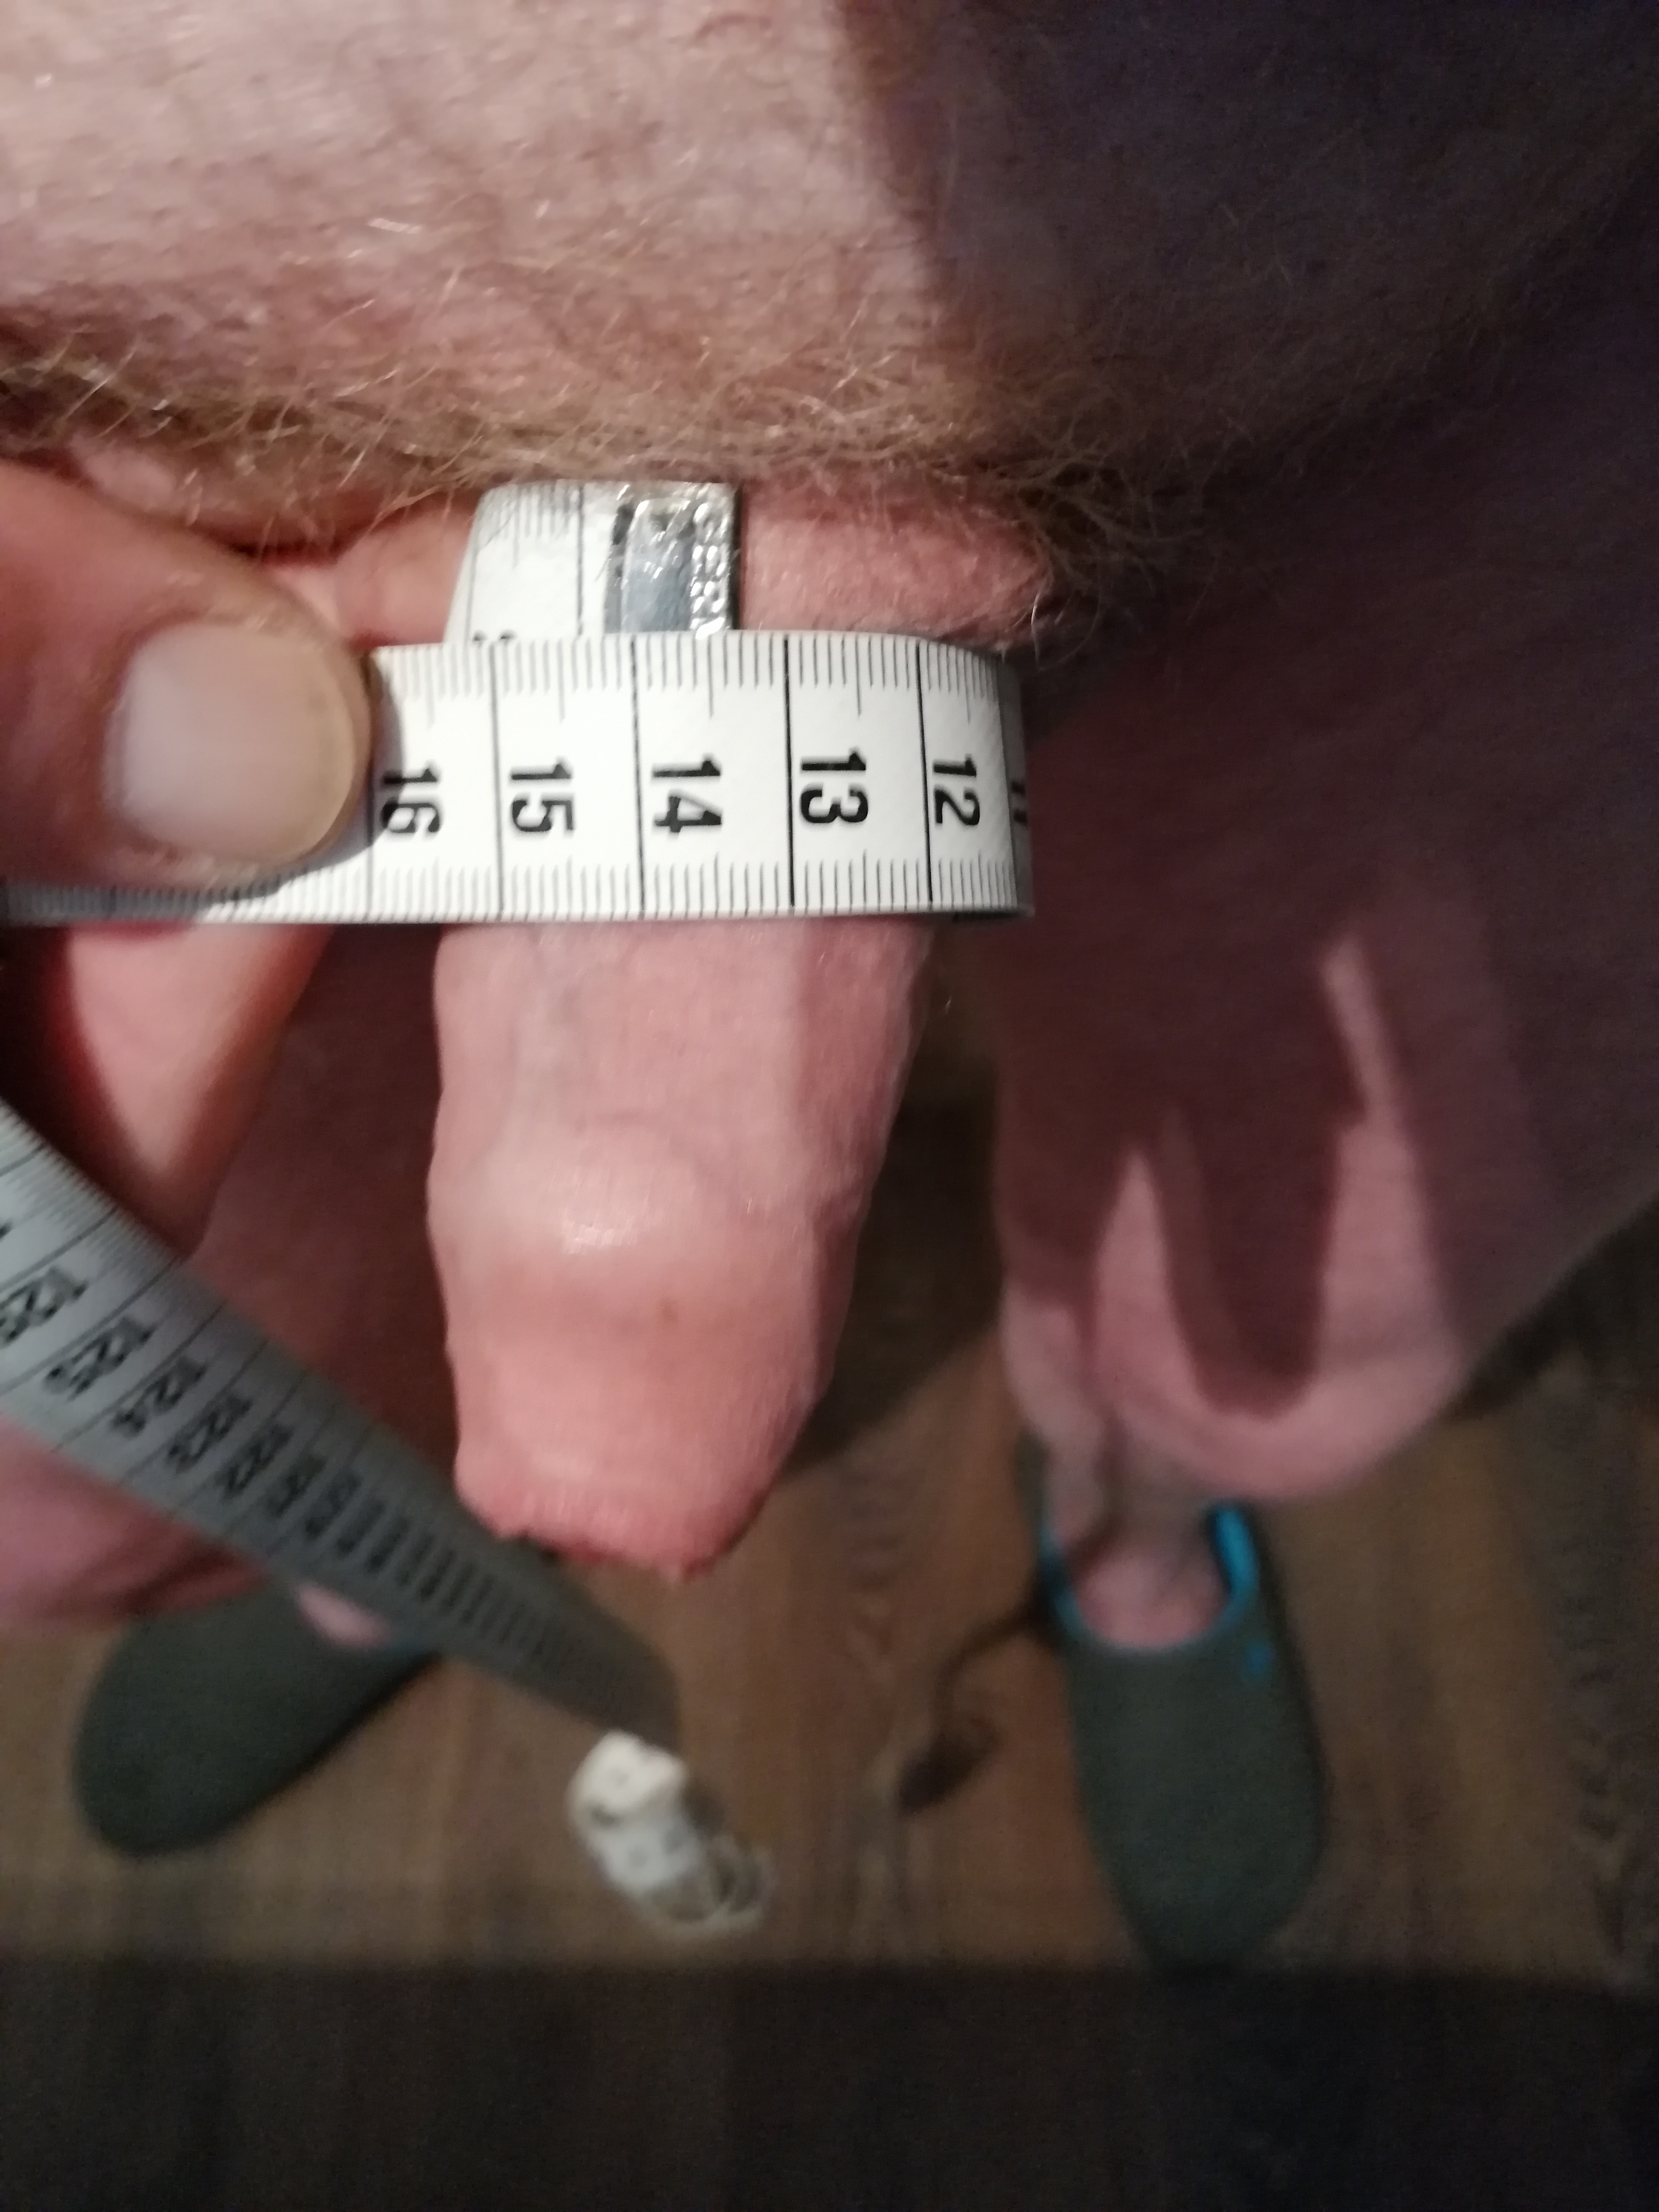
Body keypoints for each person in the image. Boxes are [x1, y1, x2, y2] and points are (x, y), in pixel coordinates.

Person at [1, 0, 1658, 1961]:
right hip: (193, 513)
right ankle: (389, 1545)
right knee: (255, 1221)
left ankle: (1136, 1522)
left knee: (1307, 1259)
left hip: (1534, 340)